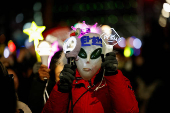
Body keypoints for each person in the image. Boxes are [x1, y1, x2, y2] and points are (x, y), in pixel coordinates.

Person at [41, 29, 139, 113]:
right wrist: (62, 90)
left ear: (103, 55)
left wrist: (113, 77)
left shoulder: (114, 81)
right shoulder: (69, 82)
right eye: (83, 54)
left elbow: (129, 110)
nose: (88, 60)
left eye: (94, 54)